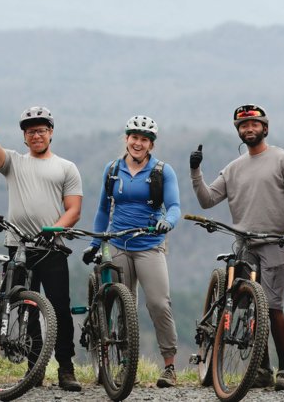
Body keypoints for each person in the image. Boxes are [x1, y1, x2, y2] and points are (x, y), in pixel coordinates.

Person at [190, 104, 284, 392]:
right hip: (245, 244)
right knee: (248, 305)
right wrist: (196, 171)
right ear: (238, 132)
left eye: (254, 124)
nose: (249, 129)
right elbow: (207, 199)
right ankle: (262, 369)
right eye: (243, 126)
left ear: (264, 128)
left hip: (277, 242)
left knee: (272, 306)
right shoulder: (233, 169)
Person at [0, 89, 83, 392]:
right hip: (19, 246)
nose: (36, 135)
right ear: (24, 137)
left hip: (52, 248)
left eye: (42, 130)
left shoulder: (66, 167)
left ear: (50, 133)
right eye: (31, 131)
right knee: (26, 307)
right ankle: (35, 369)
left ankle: (66, 368)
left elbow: (73, 209)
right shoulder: (14, 162)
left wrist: (53, 229)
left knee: (59, 309)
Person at [88, 115, 181, 388]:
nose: (138, 143)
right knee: (120, 305)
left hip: (149, 245)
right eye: (134, 138)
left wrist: (168, 222)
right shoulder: (113, 168)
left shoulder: (163, 171)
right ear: (126, 139)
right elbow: (104, 209)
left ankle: (169, 366)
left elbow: (174, 206)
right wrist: (95, 244)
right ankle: (125, 366)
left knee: (158, 304)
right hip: (118, 243)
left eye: (144, 140)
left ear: (151, 145)